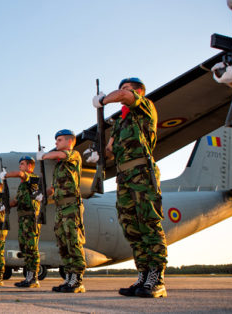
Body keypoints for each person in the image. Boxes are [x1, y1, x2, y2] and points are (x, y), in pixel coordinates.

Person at [93, 77, 168, 298]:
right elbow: (110, 149)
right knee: (131, 228)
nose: (121, 92)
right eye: (121, 88)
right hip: (124, 177)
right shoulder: (122, 122)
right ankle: (143, 276)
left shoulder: (144, 107)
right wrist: (99, 153)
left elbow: (124, 97)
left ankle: (157, 278)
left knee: (149, 223)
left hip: (142, 173)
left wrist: (104, 99)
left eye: (126, 89)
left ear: (139, 91)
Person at [37, 129, 86, 293]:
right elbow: (55, 187)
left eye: (59, 140)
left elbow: (59, 155)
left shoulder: (74, 155)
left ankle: (77, 280)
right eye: (56, 140)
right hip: (60, 208)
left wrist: (43, 156)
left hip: (71, 206)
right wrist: (46, 192)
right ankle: (69, 278)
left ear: (70, 141)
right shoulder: (59, 166)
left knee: (73, 241)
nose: (56, 143)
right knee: (63, 243)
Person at [2, 155, 42, 288]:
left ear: (30, 166)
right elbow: (16, 201)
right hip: (23, 220)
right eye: (20, 164)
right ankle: (29, 277)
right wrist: (6, 205)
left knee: (31, 247)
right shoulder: (22, 186)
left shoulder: (32, 178)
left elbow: (20, 173)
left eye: (23, 164)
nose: (20, 166)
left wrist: (6, 175)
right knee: (24, 247)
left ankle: (33, 278)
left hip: (31, 218)